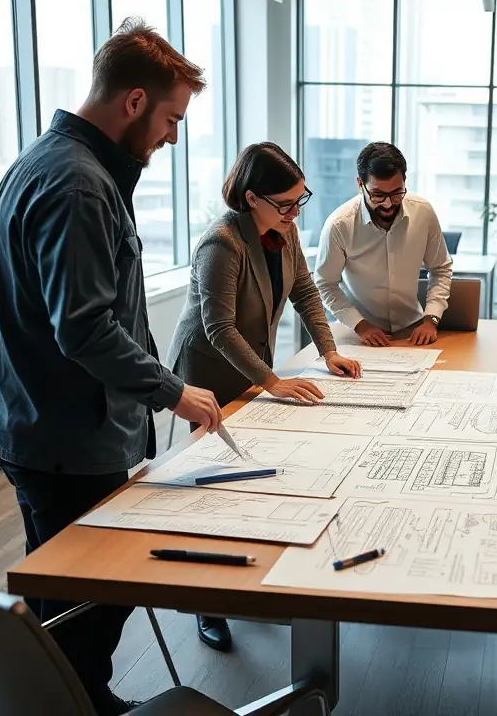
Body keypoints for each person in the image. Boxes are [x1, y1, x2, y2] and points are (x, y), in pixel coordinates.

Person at [0, 18, 223, 716]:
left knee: (66, 592)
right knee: (92, 594)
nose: (173, 136)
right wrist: (173, 390)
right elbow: (85, 328)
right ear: (136, 103)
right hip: (63, 437)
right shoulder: (79, 186)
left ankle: (71, 694)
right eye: (172, 118)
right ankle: (72, 700)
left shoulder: (46, 161)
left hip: (33, 423)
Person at [167, 142, 362, 651]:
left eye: (301, 200)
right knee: (214, 487)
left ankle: (248, 585)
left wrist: (328, 350)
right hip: (208, 372)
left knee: (254, 481)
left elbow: (304, 292)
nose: (296, 212)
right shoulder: (221, 243)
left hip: (251, 367)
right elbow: (217, 328)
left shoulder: (286, 231)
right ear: (251, 198)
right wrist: (272, 382)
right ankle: (207, 605)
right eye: (285, 203)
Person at [314, 142, 453, 346]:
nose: (388, 204)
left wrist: (431, 318)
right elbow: (325, 283)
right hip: (357, 334)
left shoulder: (423, 213)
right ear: (360, 184)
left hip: (412, 330)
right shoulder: (339, 225)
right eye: (378, 195)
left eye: (397, 193)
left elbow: (440, 268)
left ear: (405, 181)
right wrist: (361, 326)